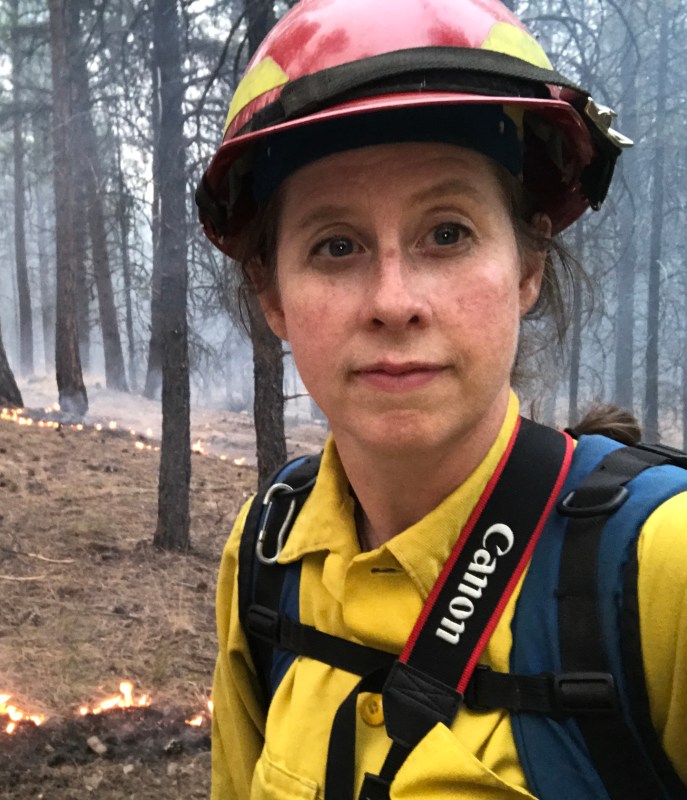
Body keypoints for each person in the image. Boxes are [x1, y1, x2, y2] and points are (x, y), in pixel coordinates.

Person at [196, 1, 687, 798]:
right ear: (272, 294)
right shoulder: (264, 556)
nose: (393, 302)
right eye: (335, 245)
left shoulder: (662, 565)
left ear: (527, 266)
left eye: (447, 233)